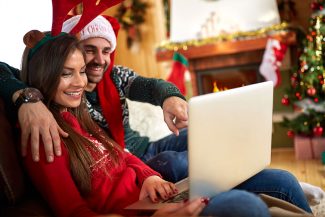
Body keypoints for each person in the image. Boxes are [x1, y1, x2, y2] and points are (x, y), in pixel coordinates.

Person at [0, 15, 313, 213]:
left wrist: (170, 99)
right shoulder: (46, 129)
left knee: (280, 179)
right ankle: (216, 181)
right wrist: (27, 99)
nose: (89, 71)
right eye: (72, 70)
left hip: (148, 175)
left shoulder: (95, 96)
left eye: (104, 52)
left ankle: (229, 173)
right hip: (147, 198)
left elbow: (146, 88)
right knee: (183, 166)